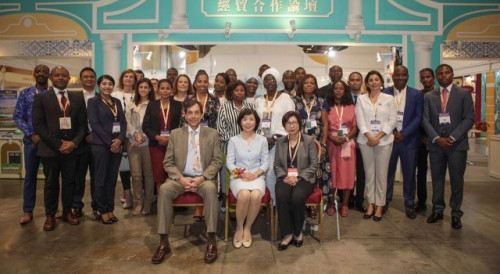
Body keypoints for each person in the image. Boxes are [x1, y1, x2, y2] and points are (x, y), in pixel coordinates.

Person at [152, 100, 222, 264]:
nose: (193, 116)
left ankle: (211, 241)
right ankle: (163, 242)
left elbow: (217, 161)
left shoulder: (212, 133)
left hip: (203, 178)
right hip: (180, 178)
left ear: (201, 114)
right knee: (164, 190)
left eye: (196, 112)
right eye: (189, 112)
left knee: (211, 189)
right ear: (184, 114)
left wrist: (202, 177)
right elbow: (167, 162)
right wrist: (181, 179)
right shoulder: (175, 134)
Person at [32, 66, 87, 231]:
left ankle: (68, 212)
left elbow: (82, 125)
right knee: (50, 183)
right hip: (50, 150)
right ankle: (50, 215)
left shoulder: (77, 98)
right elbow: (38, 125)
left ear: (69, 78)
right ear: (51, 77)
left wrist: (74, 143)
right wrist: (58, 144)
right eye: (57, 75)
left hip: (72, 150)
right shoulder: (41, 98)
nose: (61, 78)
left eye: (64, 75)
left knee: (70, 182)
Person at [422, 64, 474, 230]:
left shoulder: (464, 94)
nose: (443, 76)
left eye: (446, 73)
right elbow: (425, 120)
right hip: (436, 146)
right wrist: (437, 138)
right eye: (440, 74)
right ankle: (438, 210)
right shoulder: (430, 96)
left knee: (456, 180)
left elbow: (469, 118)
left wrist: (452, 137)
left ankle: (456, 213)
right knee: (437, 179)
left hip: (456, 145)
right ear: (437, 77)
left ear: (452, 74)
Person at [355, 70, 397, 221]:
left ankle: (380, 205)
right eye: (371, 80)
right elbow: (360, 121)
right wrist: (369, 136)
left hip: (384, 141)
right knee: (369, 174)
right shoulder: (361, 99)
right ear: (367, 83)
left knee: (381, 174)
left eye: (376, 79)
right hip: (365, 141)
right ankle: (370, 203)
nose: (374, 82)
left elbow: (392, 121)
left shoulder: (389, 99)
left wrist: (378, 137)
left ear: (381, 82)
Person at [384, 65, 424, 219]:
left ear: (407, 76)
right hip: (389, 139)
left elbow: (418, 117)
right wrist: (392, 132)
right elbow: (382, 116)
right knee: (388, 172)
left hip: (409, 140)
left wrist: (404, 133)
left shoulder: (416, 94)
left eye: (403, 75)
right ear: (393, 76)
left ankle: (409, 203)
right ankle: (385, 200)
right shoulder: (385, 92)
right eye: (398, 75)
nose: (400, 77)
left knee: (409, 174)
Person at [275, 111, 318, 251]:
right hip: (286, 177)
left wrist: (298, 177)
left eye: (294, 122)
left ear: (299, 124)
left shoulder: (309, 140)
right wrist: (284, 176)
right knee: (282, 195)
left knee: (297, 196)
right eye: (288, 123)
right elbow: (276, 165)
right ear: (284, 126)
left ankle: (298, 232)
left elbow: (313, 165)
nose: (291, 125)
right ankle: (287, 233)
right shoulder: (280, 142)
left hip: (304, 178)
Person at [226, 109, 269, 249]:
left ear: (256, 121)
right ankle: (239, 228)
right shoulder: (233, 140)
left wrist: (255, 174)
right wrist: (241, 174)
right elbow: (230, 163)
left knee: (256, 195)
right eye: (244, 119)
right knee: (244, 194)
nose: (248, 122)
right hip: (239, 177)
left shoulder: (262, 140)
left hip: (257, 176)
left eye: (251, 119)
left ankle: (247, 228)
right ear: (240, 122)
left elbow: (265, 162)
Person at [13, 64, 50, 225]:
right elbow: (18, 117)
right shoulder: (26, 93)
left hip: (49, 143)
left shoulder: (53, 94)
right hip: (31, 142)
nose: (41, 74)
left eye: (44, 72)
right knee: (30, 178)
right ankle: (28, 211)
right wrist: (32, 134)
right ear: (34, 74)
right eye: (38, 71)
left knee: (51, 178)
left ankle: (52, 210)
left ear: (48, 75)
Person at [88, 75, 126, 224]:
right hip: (101, 146)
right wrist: (112, 142)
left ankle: (110, 208)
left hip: (117, 145)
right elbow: (94, 124)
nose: (107, 87)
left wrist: (120, 140)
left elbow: (123, 122)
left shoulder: (116, 101)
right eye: (104, 84)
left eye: (110, 84)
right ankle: (102, 210)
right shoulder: (93, 102)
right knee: (100, 179)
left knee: (111, 179)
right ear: (99, 85)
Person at [254, 68, 295, 203]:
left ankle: (277, 204)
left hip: (281, 142)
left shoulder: (285, 99)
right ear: (263, 83)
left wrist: (275, 137)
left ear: (277, 82)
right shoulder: (258, 101)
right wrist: (263, 138)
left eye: (272, 79)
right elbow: (255, 123)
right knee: (263, 172)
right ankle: (266, 203)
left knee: (274, 172)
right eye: (266, 80)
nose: (269, 82)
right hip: (262, 143)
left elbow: (290, 120)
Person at [293, 74, 331, 216]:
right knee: (301, 174)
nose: (309, 85)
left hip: (317, 143)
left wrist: (323, 145)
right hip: (299, 144)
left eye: (312, 83)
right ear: (302, 85)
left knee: (317, 173)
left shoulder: (322, 102)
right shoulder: (294, 101)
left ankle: (315, 206)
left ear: (315, 86)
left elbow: (326, 124)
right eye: (306, 82)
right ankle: (301, 204)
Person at [217, 80, 254, 203]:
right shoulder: (224, 107)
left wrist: (246, 141)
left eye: (242, 90)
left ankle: (244, 202)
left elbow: (256, 127)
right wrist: (237, 141)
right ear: (231, 93)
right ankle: (228, 201)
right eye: (236, 90)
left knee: (245, 176)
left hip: (248, 149)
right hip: (228, 149)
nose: (239, 93)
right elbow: (221, 130)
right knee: (228, 176)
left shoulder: (250, 107)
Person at [142, 79, 182, 191]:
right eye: (162, 88)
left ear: (171, 90)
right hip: (156, 146)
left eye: (168, 88)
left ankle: (173, 205)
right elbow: (145, 126)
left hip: (173, 145)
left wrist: (171, 138)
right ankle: (161, 205)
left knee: (173, 175)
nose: (165, 91)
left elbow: (182, 125)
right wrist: (157, 137)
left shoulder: (178, 105)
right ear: (158, 90)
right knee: (159, 176)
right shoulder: (152, 105)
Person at [327, 80, 358, 217]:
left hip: (347, 143)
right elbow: (324, 126)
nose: (338, 91)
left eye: (341, 89)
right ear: (332, 90)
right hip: (331, 143)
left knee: (347, 174)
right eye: (336, 88)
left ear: (345, 91)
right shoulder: (326, 106)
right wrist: (332, 138)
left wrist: (345, 138)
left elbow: (356, 127)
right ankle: (331, 203)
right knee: (331, 173)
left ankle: (344, 204)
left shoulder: (351, 106)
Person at [126, 78, 155, 215]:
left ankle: (148, 202)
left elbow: (152, 125)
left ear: (150, 89)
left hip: (147, 143)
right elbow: (126, 122)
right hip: (132, 143)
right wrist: (135, 134)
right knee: (136, 175)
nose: (143, 89)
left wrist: (142, 136)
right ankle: (139, 202)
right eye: (141, 87)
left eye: (146, 87)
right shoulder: (131, 105)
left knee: (148, 174)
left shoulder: (153, 105)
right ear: (137, 89)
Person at [72, 67, 97, 218]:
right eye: (85, 77)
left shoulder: (102, 97)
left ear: (95, 79)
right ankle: (76, 205)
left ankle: (97, 205)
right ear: (81, 79)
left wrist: (95, 133)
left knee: (97, 176)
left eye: (91, 77)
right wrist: (82, 135)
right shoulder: (73, 97)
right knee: (78, 176)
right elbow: (71, 120)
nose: (89, 79)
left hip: (97, 142)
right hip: (79, 142)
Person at [112, 69, 137, 209]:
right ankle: (127, 194)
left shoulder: (138, 95)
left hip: (136, 136)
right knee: (124, 167)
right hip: (121, 135)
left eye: (131, 77)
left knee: (136, 168)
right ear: (122, 79)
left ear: (135, 80)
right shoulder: (115, 95)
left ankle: (137, 193)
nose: (128, 79)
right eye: (126, 76)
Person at [416, 68, 435, 212]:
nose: (425, 80)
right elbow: (417, 117)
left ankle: (437, 204)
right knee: (421, 173)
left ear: (433, 78)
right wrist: (422, 136)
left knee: (437, 173)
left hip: (438, 139)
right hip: (421, 140)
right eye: (423, 77)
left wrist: (434, 136)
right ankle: (421, 202)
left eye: (428, 77)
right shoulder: (418, 95)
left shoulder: (441, 94)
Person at [348, 72, 366, 212]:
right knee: (347, 171)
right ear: (349, 82)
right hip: (346, 140)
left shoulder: (367, 97)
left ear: (361, 82)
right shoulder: (344, 97)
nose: (355, 82)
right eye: (352, 80)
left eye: (357, 80)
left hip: (363, 141)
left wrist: (361, 138)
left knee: (361, 172)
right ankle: (346, 199)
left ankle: (360, 200)